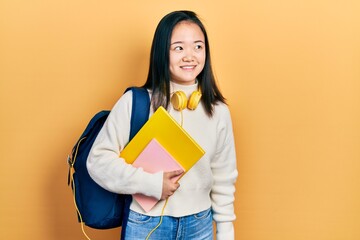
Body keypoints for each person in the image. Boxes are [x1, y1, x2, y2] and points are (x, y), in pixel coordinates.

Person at [87, 10, 238, 240]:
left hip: (199, 223)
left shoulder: (218, 111)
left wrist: (226, 231)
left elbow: (224, 176)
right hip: (145, 223)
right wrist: (151, 184)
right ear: (161, 53)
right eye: (179, 47)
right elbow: (97, 161)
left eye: (198, 46)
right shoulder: (135, 103)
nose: (190, 56)